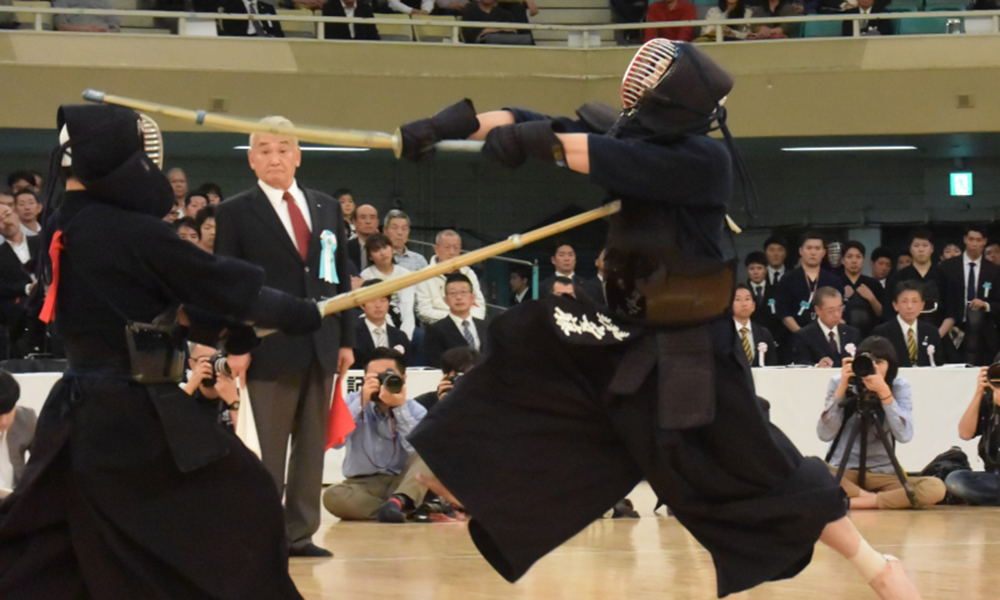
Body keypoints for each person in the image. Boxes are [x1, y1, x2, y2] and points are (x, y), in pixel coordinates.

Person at [396, 40, 921, 600]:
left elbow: (578, 150)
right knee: (529, 339)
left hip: (697, 349)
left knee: (759, 467)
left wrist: (532, 144)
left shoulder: (698, 160)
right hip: (628, 333)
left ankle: (877, 567)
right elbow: (537, 122)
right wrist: (448, 126)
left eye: (653, 76)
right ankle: (461, 468)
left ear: (673, 96)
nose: (636, 83)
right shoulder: (636, 135)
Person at [0, 104, 329, 599]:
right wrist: (299, 312)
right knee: (247, 495)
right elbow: (217, 283)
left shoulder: (64, 224)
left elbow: (152, 303)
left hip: (80, 408)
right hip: (130, 411)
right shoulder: (128, 228)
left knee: (75, 532)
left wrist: (226, 328)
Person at [214, 115, 355, 558]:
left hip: (322, 342)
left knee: (312, 448)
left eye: (282, 148)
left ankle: (300, 534)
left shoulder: (326, 206)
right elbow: (227, 283)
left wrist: (347, 340)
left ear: (297, 155)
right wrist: (235, 343)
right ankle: (262, 533)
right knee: (267, 452)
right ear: (252, 160)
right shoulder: (234, 211)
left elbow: (341, 278)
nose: (274, 157)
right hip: (266, 345)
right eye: (264, 150)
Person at [818, 336, 946, 509]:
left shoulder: (898, 386)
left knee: (936, 487)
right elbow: (824, 434)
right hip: (844, 470)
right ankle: (872, 498)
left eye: (880, 362)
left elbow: (904, 435)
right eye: (869, 361)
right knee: (813, 467)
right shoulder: (839, 382)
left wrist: (885, 393)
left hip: (885, 473)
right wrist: (842, 389)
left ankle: (858, 502)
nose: (873, 367)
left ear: (891, 365)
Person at [321, 348, 430, 523]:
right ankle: (399, 507)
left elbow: (420, 450)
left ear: (403, 379)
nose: (382, 382)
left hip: (403, 481)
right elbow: (335, 442)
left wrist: (400, 410)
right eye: (375, 377)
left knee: (428, 451)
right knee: (332, 496)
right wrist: (361, 404)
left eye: (388, 376)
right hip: (363, 485)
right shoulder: (351, 402)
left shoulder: (414, 409)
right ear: (364, 379)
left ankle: (399, 502)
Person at [939, 225, 1000, 366]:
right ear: (965, 239)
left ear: (984, 242)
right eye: (971, 239)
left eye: (978, 240)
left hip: (984, 332)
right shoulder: (947, 267)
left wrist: (986, 305)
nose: (974, 244)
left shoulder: (994, 270)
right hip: (954, 328)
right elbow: (941, 298)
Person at [945, 361, 1000, 505]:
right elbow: (965, 433)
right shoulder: (991, 398)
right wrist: (979, 392)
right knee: (955, 479)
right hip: (994, 476)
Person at [775, 231, 845, 335]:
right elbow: (784, 313)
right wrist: (802, 334)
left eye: (817, 248)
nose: (813, 252)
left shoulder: (834, 280)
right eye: (809, 248)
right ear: (801, 251)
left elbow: (841, 313)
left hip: (827, 337)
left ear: (824, 252)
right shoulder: (787, 279)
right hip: (796, 338)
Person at [883, 230, 949, 340]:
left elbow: (952, 312)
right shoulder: (897, 278)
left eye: (925, 245)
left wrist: (937, 336)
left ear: (932, 248)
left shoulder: (944, 276)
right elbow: (888, 311)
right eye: (916, 245)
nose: (921, 249)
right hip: (904, 336)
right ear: (910, 249)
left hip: (939, 334)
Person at [415, 229, 487, 325]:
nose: (452, 252)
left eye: (456, 248)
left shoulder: (469, 273)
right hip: (438, 327)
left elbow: (479, 305)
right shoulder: (423, 275)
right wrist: (454, 319)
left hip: (468, 324)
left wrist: (466, 320)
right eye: (447, 248)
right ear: (436, 249)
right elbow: (423, 312)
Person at [871, 281, 943, 368]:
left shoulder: (931, 331)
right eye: (904, 301)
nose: (909, 306)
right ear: (895, 305)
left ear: (922, 305)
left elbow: (939, 363)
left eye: (914, 301)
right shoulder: (882, 332)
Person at [423, 273, 487, 368]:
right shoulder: (435, 330)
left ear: (472, 297)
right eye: (453, 293)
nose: (458, 297)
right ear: (446, 300)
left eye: (463, 292)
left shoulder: (486, 326)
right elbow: (435, 363)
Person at [360, 233, 416, 339]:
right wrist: (394, 335)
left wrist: (405, 337)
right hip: (379, 320)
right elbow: (377, 306)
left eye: (385, 247)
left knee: (419, 336)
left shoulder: (405, 274)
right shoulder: (366, 275)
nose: (382, 253)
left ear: (392, 249)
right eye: (376, 250)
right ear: (370, 257)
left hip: (402, 319)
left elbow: (407, 308)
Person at [791, 287, 862, 368]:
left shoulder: (852, 333)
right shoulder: (804, 335)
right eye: (830, 310)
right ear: (817, 310)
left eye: (839, 308)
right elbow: (800, 363)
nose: (836, 314)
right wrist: (817, 366)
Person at [352, 279, 412, 369]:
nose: (378, 305)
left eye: (383, 300)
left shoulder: (400, 336)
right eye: (372, 301)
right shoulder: (352, 335)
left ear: (389, 303)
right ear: (362, 304)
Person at [183, 343, 241, 432]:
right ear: (191, 364)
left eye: (217, 359)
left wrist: (234, 403)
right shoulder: (185, 394)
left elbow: (249, 440)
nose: (212, 365)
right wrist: (190, 387)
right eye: (205, 360)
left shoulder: (239, 396)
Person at [746, 250, 786, 364]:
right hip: (751, 340)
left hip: (776, 342)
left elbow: (782, 317)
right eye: (752, 268)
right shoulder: (743, 292)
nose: (756, 272)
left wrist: (776, 340)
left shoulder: (777, 290)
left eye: (759, 268)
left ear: (766, 269)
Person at [0, 370, 36, 497]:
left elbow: (43, 463)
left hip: (14, 503)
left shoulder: (26, 419)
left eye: (9, 412)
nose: (3, 421)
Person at [415, 346, 480, 411]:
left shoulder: (486, 401)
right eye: (456, 377)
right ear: (446, 378)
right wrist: (441, 406)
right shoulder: (423, 404)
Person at [841, 241, 883, 338]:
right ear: (842, 260)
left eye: (858, 257)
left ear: (863, 260)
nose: (854, 261)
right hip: (843, 335)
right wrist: (844, 298)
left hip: (870, 336)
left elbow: (883, 314)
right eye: (849, 257)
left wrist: (872, 299)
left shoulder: (874, 284)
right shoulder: (835, 282)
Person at [733, 283, 777, 368]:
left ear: (753, 305)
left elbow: (772, 365)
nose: (744, 304)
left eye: (747, 299)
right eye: (738, 299)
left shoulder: (764, 334)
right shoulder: (722, 334)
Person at [219, 0, 285, 36]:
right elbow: (229, 30)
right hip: (245, 39)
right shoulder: (231, 6)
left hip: (267, 38)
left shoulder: (268, 7)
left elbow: (277, 29)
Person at [347, 204, 379, 272]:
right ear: (354, 222)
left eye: (372, 218)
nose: (368, 221)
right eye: (363, 217)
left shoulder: (384, 247)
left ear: (377, 222)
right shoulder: (345, 248)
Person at [52, 0, 121, 32]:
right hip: (73, 39)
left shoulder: (105, 3)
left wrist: (101, 31)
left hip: (102, 40)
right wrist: (87, 29)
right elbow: (60, 26)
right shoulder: (62, 1)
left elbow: (115, 28)